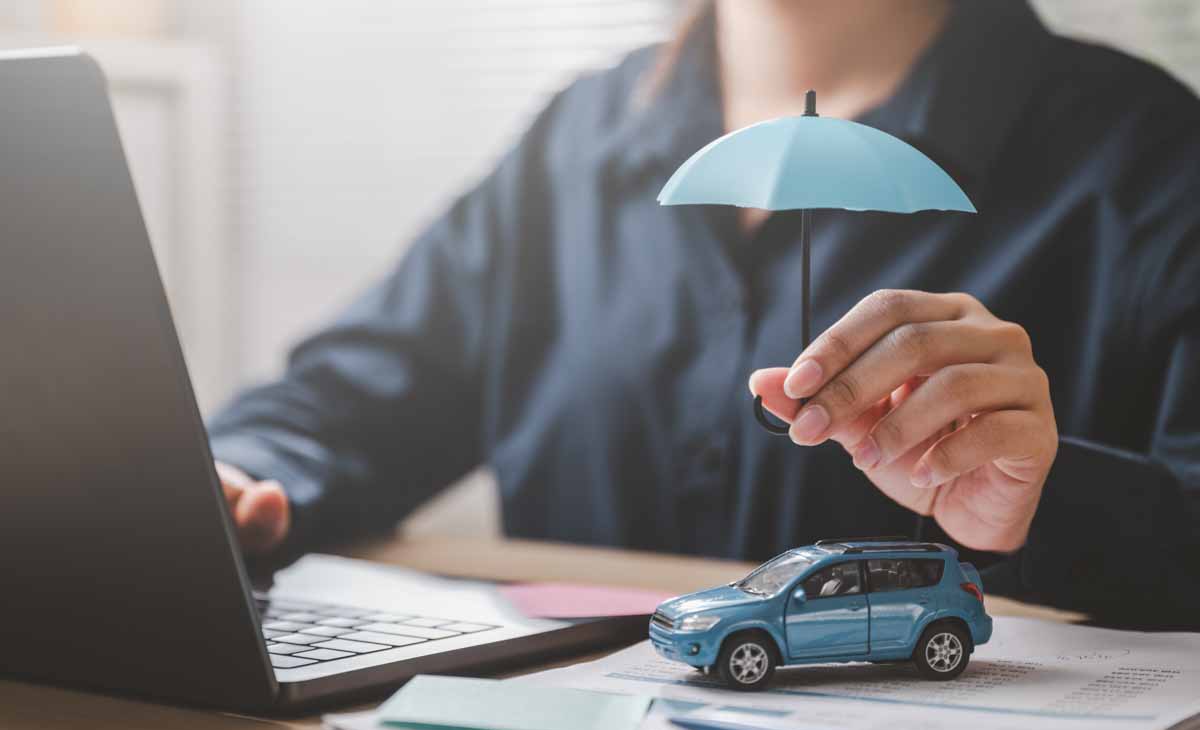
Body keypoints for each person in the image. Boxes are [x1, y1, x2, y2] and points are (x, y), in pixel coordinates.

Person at [210, 0, 1200, 622]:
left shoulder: (1151, 161)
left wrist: (1046, 500)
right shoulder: (578, 140)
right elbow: (350, 398)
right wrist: (235, 478)